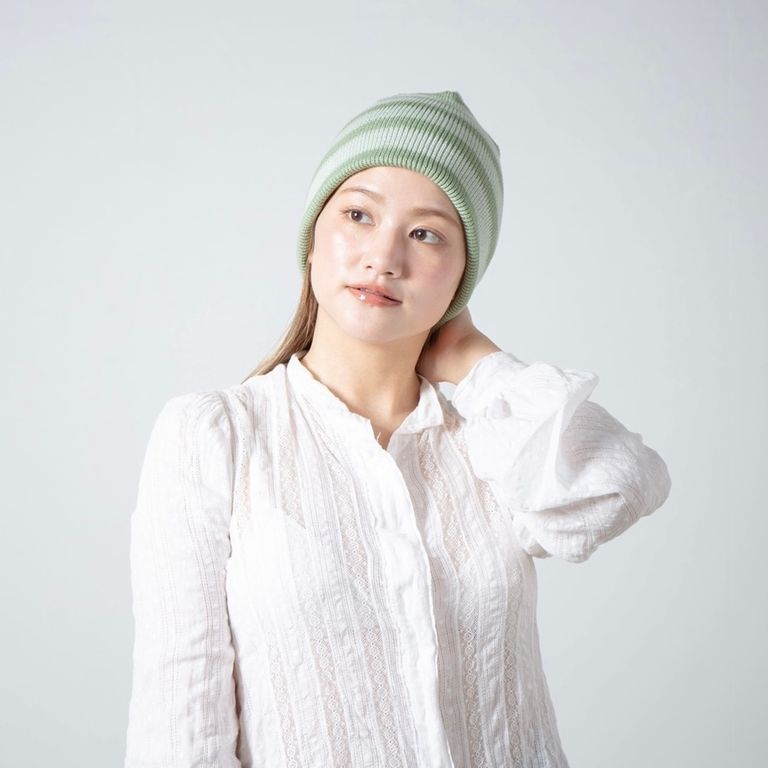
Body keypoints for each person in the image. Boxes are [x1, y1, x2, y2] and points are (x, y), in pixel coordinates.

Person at [124, 91, 672, 768]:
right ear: (314, 235)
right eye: (359, 214)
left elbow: (619, 486)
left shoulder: (491, 438)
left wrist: (479, 362)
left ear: (462, 277)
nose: (383, 257)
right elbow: (178, 735)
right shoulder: (216, 437)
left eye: (426, 234)